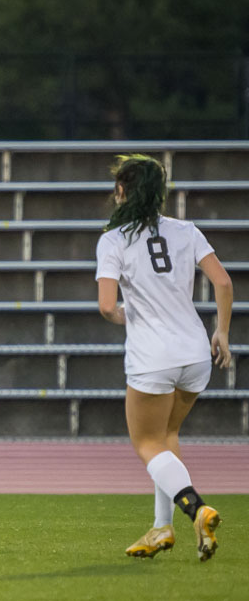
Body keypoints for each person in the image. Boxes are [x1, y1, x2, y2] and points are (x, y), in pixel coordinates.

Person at [95, 154, 232, 562]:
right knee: (167, 439)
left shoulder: (114, 239)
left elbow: (106, 305)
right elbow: (223, 282)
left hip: (152, 357)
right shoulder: (186, 230)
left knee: (146, 442)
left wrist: (122, 315)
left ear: (122, 190)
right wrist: (222, 331)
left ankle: (196, 507)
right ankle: (161, 529)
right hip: (195, 354)